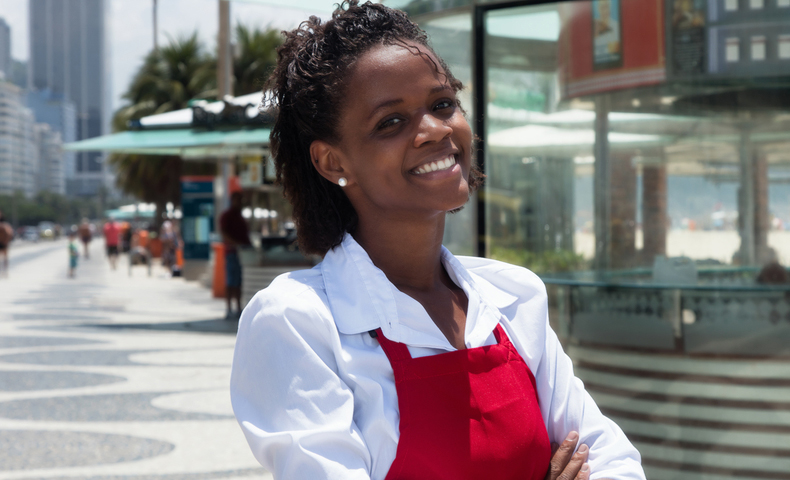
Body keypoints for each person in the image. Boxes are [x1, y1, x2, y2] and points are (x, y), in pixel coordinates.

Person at [230, 3, 645, 480]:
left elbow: (613, 462)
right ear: (332, 162)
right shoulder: (298, 322)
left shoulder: (513, 297)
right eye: (391, 122)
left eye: (443, 103)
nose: (435, 131)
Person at [220, 191, 251, 320]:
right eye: (237, 200)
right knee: (231, 281)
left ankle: (238, 307)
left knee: (238, 282)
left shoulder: (240, 216)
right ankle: (228, 308)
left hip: (242, 253)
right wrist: (235, 243)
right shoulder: (227, 216)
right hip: (232, 252)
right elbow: (224, 233)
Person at [0, 210, 11, 277]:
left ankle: (5, 270)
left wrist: (6, 241)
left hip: (3, 243)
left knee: (5, 258)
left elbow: (9, 233)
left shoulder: (5, 225)